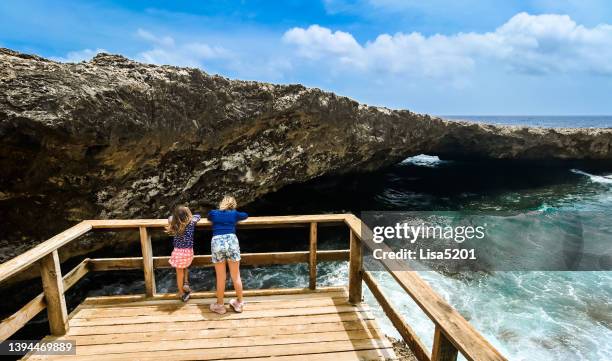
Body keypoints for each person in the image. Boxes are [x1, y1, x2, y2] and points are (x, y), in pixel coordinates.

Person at [208, 196, 248, 314]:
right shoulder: (235, 214)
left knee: (221, 277)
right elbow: (245, 215)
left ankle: (220, 305)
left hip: (217, 242)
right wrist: (235, 214)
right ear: (233, 205)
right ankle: (239, 303)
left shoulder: (214, 213)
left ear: (222, 203)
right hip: (231, 241)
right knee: (236, 276)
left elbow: (208, 217)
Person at [166, 205, 200, 302]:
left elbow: (170, 218)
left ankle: (181, 293)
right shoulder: (192, 222)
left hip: (178, 252)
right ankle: (186, 283)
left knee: (179, 273)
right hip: (189, 252)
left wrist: (174, 217)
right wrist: (191, 216)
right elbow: (198, 216)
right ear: (188, 215)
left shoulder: (174, 223)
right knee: (186, 265)